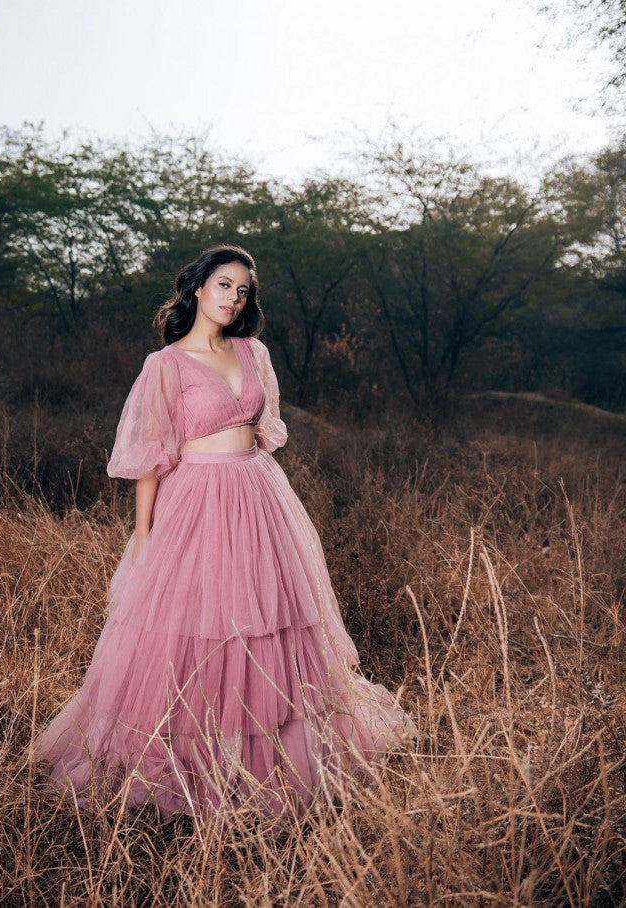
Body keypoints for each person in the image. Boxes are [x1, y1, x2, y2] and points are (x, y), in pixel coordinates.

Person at [31, 244, 416, 829]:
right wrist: (145, 533)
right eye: (223, 285)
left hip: (258, 495)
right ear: (197, 289)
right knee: (194, 626)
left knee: (268, 620)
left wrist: (251, 484)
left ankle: (272, 761)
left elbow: (265, 431)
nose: (233, 298)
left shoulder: (252, 351)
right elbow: (150, 457)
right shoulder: (165, 365)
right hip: (196, 499)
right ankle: (187, 765)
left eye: (242, 290)